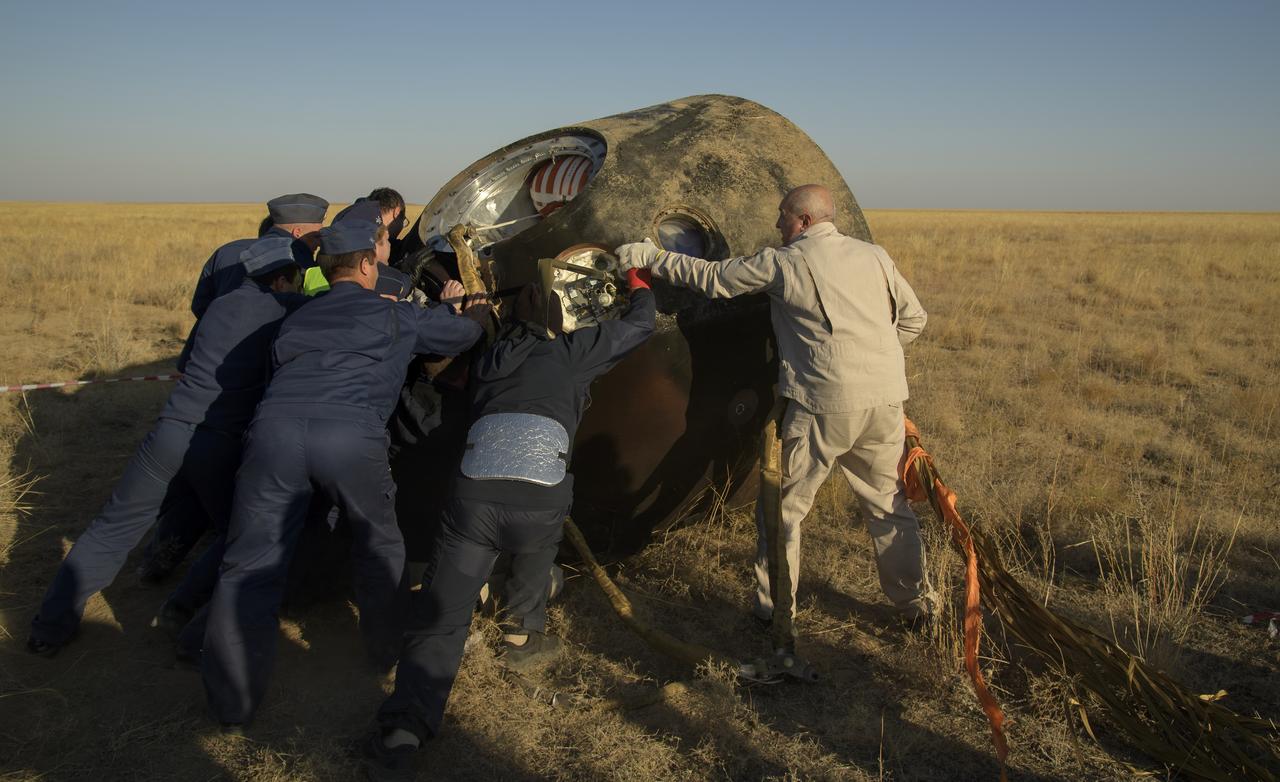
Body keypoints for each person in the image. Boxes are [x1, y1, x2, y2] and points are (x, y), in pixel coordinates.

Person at [361, 268, 655, 780]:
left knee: (443, 615)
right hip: (540, 505)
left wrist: (473, 312)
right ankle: (523, 635)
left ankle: (403, 730)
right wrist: (639, 284)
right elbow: (641, 325)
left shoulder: (491, 358)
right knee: (540, 540)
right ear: (561, 323)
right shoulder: (574, 352)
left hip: (473, 496)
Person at [200, 219, 487, 731]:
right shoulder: (393, 315)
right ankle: (383, 652)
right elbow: (459, 336)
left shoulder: (297, 318)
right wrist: (470, 308)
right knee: (378, 542)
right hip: (350, 439)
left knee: (247, 564)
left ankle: (231, 700)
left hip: (273, 434)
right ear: (367, 263)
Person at [616, 184, 937, 633]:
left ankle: (773, 611)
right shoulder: (875, 255)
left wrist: (652, 257)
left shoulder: (787, 262)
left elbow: (716, 280)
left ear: (804, 221)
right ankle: (917, 606)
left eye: (783, 215)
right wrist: (871, 362)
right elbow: (914, 319)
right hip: (885, 400)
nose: (777, 223)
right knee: (889, 506)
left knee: (784, 512)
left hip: (823, 405)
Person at [26, 236, 308, 656]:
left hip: (168, 433)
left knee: (111, 529)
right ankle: (187, 617)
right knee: (244, 535)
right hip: (216, 443)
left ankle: (49, 627)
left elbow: (185, 363)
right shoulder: (282, 311)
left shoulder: (218, 306)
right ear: (283, 280)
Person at [139, 194, 328, 584]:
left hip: (200, 385)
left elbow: (200, 306)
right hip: (248, 393)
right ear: (296, 231)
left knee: (198, 478)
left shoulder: (225, 253)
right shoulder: (296, 262)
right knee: (234, 492)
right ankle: (205, 589)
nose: (317, 244)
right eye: (314, 237)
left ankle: (161, 555)